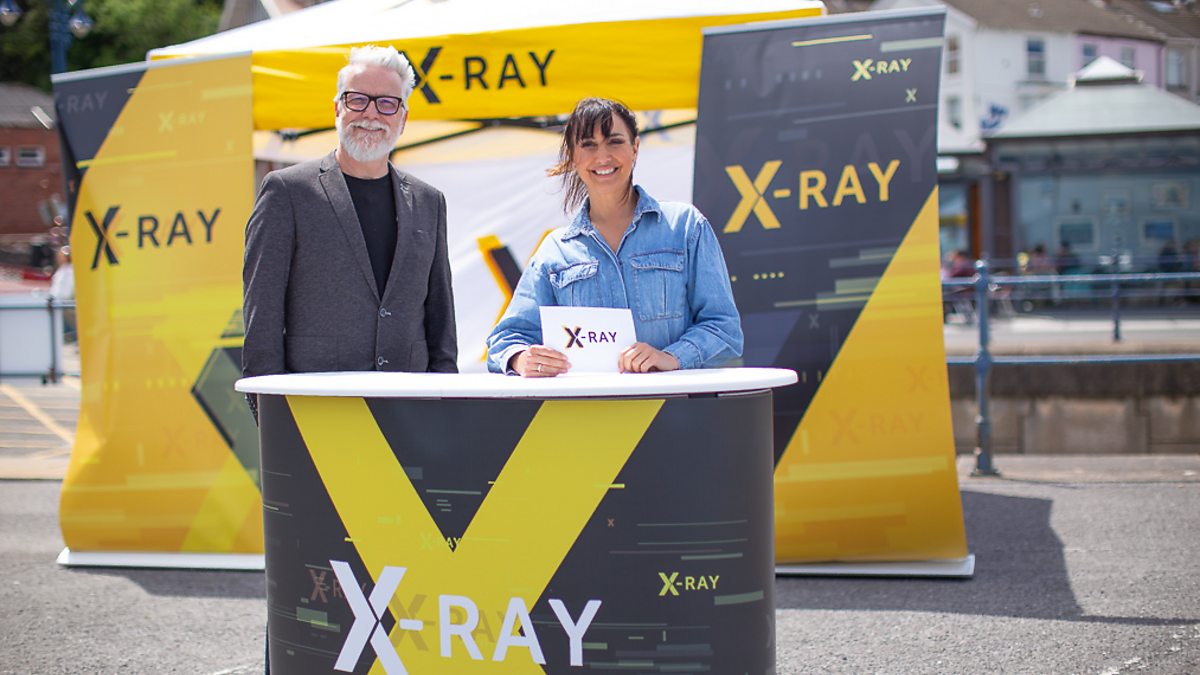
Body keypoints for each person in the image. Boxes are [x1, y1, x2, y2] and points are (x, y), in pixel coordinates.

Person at [243, 44, 458, 411]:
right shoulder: (287, 193)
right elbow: (261, 319)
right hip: (319, 411)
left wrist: (445, 408)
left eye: (386, 103)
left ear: (403, 118)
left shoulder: (429, 202)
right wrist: (273, 419)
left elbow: (441, 322)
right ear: (337, 108)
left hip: (411, 412)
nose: (371, 113)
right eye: (357, 100)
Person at [486, 97, 743, 376]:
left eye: (614, 141)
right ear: (572, 157)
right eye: (588, 145)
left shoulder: (685, 227)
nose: (603, 157)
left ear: (635, 148)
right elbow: (505, 340)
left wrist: (672, 356)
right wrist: (522, 359)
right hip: (589, 404)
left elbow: (724, 329)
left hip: (672, 401)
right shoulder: (555, 251)